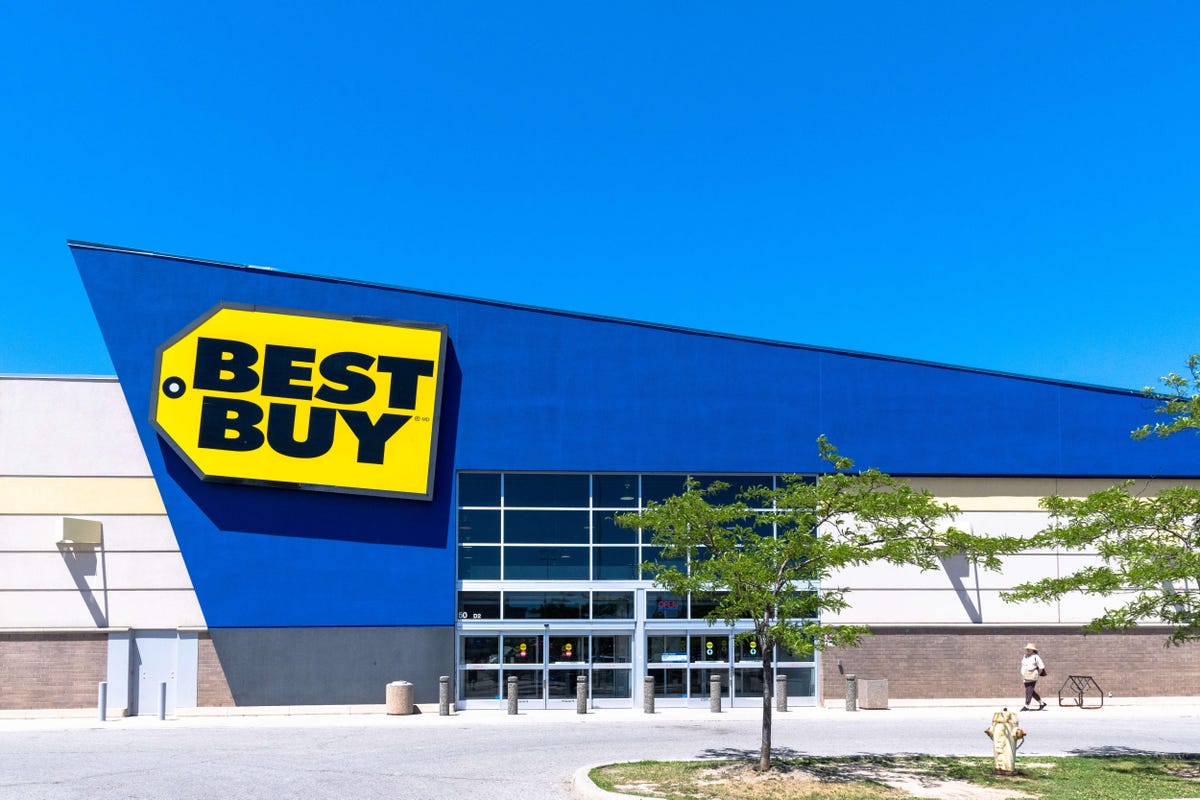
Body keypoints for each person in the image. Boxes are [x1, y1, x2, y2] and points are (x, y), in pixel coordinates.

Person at [1020, 642, 1046, 711]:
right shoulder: (1025, 656)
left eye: (1030, 649)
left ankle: (1027, 705)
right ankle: (1042, 703)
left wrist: (1037, 674)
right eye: (1027, 649)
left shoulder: (1035, 656)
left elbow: (1041, 666)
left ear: (1033, 650)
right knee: (1031, 691)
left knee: (1029, 690)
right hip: (1025, 676)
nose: (1028, 650)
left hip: (1032, 675)